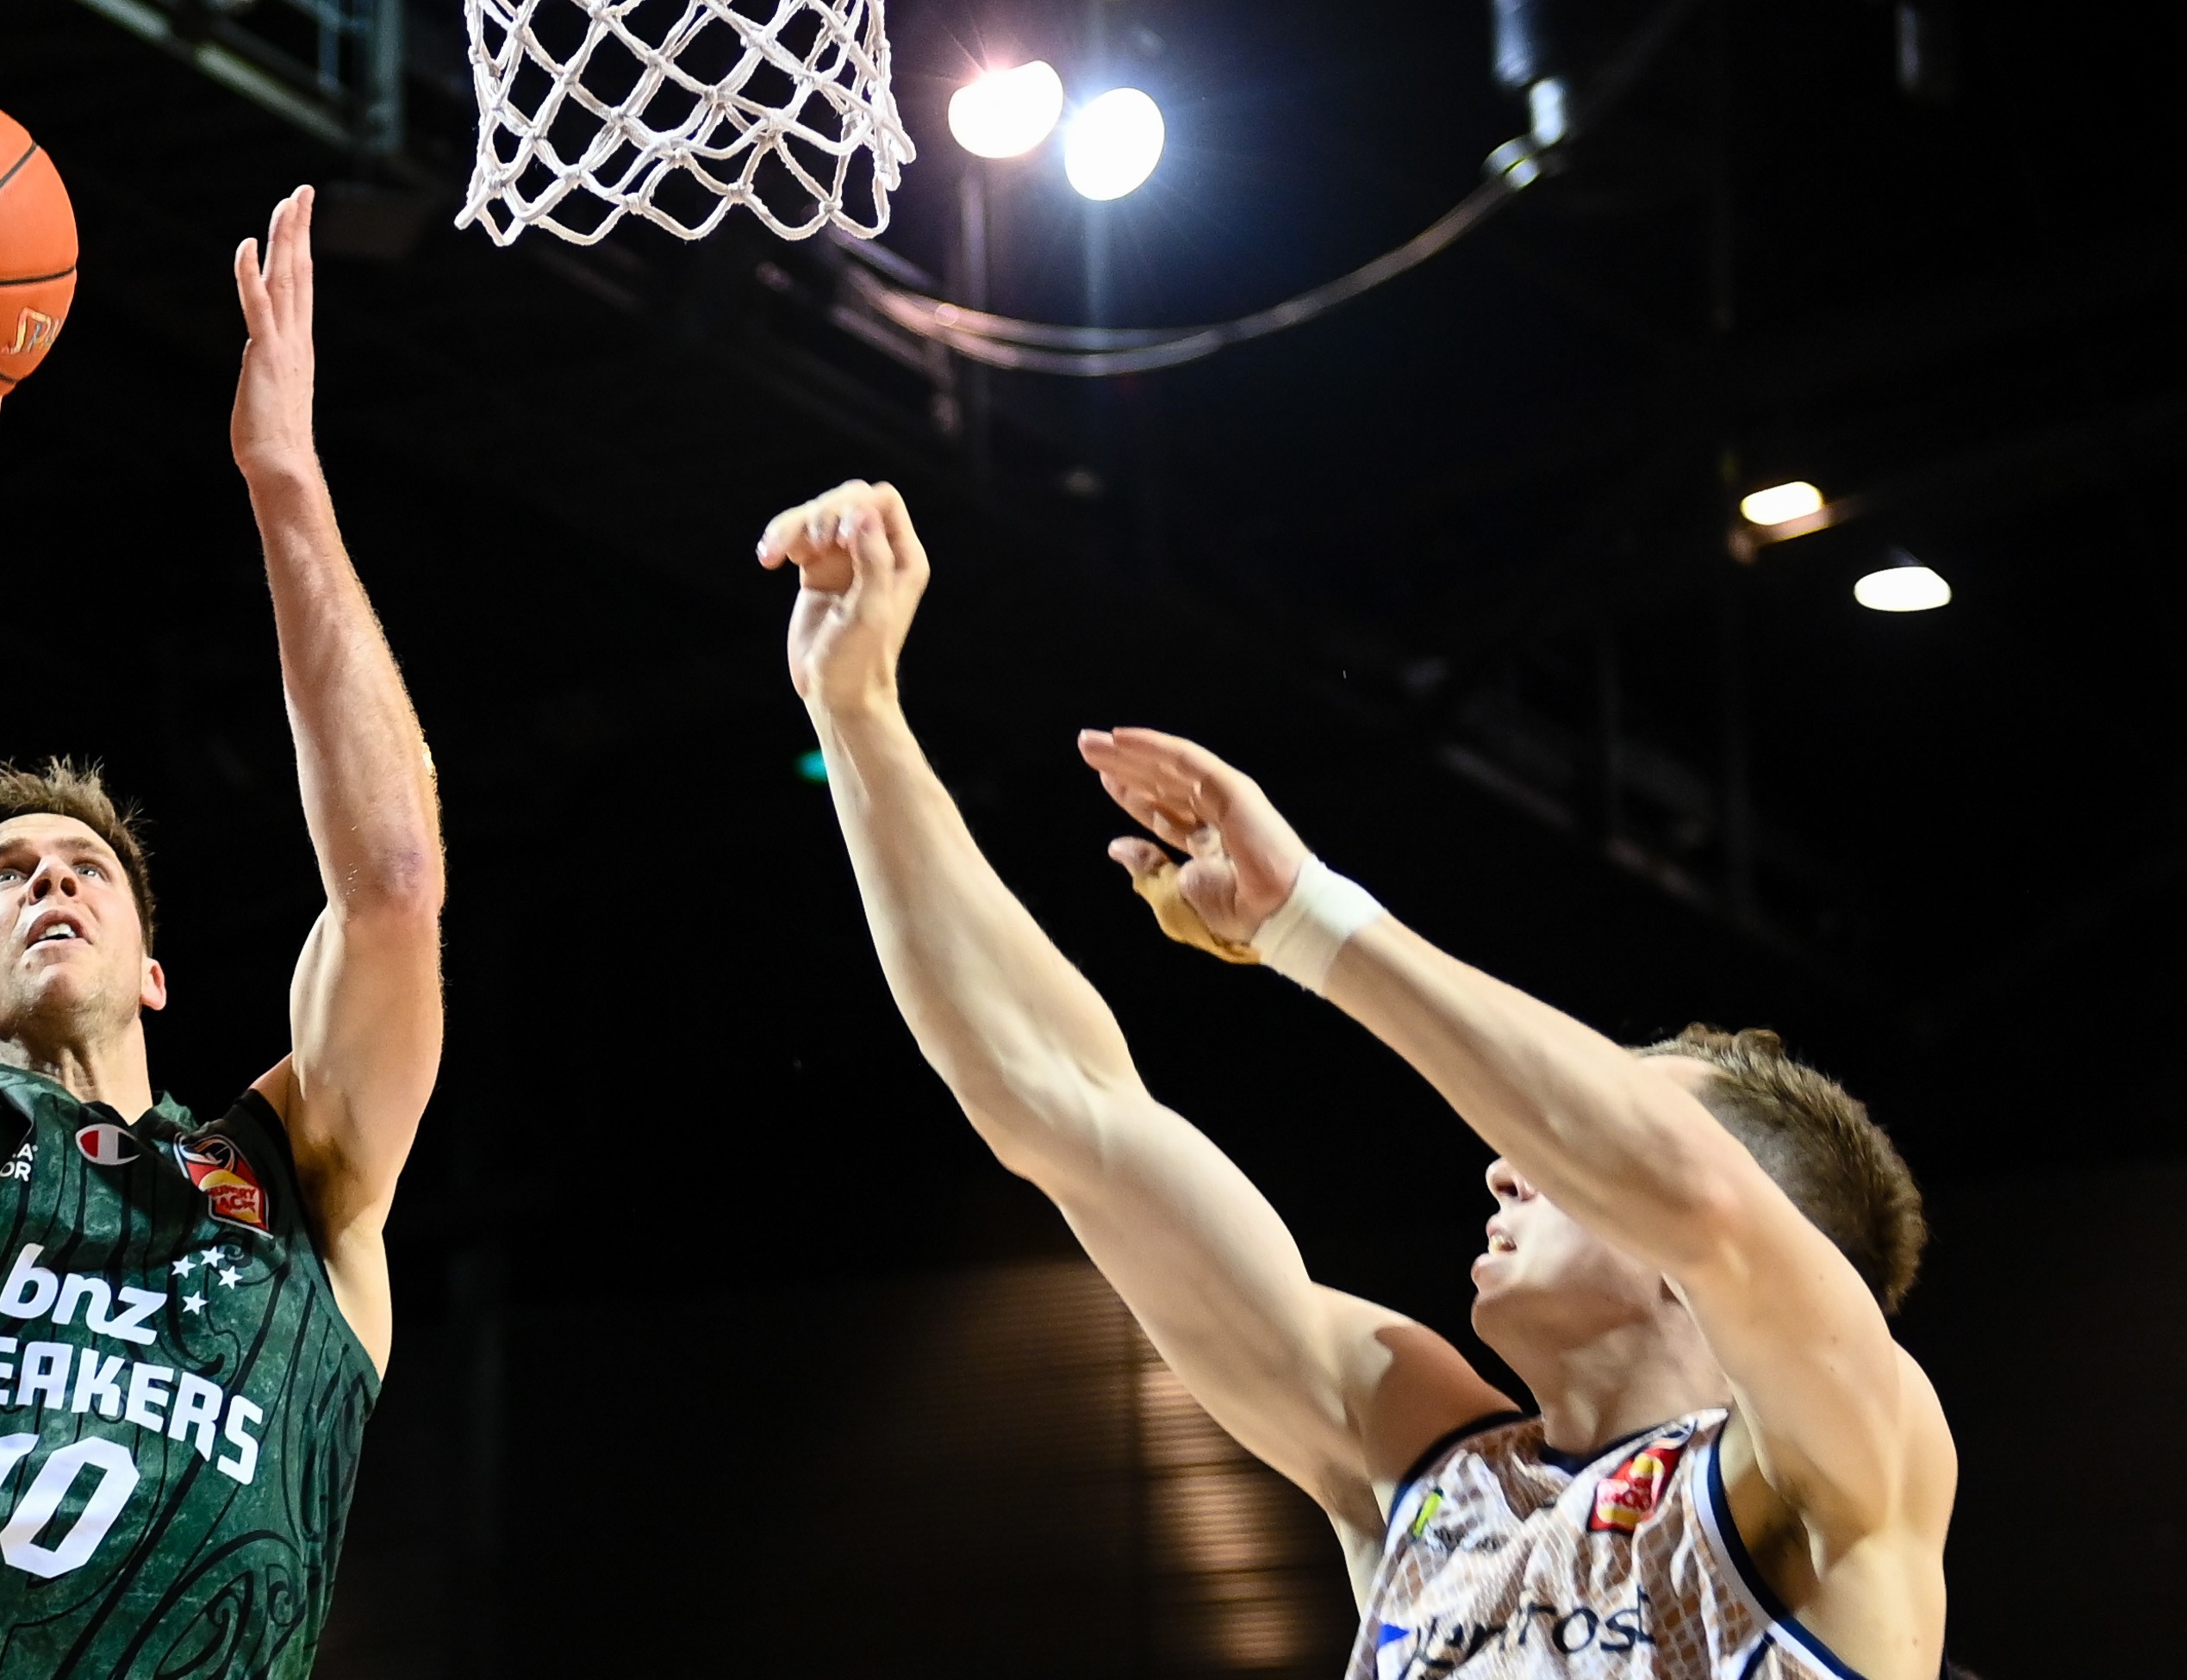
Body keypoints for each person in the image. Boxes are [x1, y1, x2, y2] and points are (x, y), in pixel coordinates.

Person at [758, 480, 1952, 1679]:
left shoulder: (1842, 1462)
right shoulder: (1423, 1457)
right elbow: (1068, 1106)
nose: (1509, 1158)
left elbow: (1700, 1198)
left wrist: (1311, 925)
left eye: (1594, 1134)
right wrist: (858, 713)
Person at [0, 187, 442, 1680]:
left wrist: (287, 478)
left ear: (152, 964)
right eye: (4, 873)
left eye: (87, 867)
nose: (50, 879)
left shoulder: (299, 1177)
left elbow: (392, 882)